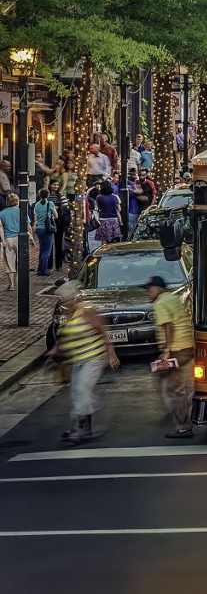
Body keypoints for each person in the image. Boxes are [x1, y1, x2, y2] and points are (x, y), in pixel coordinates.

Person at [50, 298, 119, 444]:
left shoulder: (87, 311)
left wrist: (111, 354)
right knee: (77, 393)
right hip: (78, 360)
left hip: (94, 358)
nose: (66, 304)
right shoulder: (68, 315)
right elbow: (64, 336)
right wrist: (56, 350)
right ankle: (85, 427)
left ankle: (80, 429)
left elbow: (103, 331)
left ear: (74, 299)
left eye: (68, 300)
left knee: (82, 390)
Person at [146, 275, 195, 439]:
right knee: (186, 388)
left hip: (176, 349)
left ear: (158, 288)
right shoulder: (173, 298)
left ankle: (183, 427)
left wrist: (166, 351)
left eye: (150, 288)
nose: (148, 292)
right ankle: (186, 417)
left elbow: (168, 326)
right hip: (188, 346)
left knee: (174, 390)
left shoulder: (160, 303)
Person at [0, 192, 25, 290]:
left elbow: (0, 228)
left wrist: (3, 241)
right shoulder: (21, 211)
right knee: (21, 262)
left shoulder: (2, 213)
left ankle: (12, 285)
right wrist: (31, 238)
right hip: (20, 239)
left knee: (9, 263)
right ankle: (19, 284)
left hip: (8, 239)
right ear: (17, 201)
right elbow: (27, 226)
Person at [34, 188, 58, 276]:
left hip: (39, 229)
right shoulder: (50, 203)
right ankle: (44, 270)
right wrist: (51, 216)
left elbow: (35, 217)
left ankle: (39, 269)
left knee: (42, 249)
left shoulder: (36, 205)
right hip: (47, 229)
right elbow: (56, 216)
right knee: (47, 251)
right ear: (48, 195)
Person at [93, 180, 123, 244]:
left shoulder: (99, 197)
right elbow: (119, 210)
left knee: (104, 239)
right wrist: (120, 222)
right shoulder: (115, 197)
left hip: (103, 220)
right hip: (114, 220)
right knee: (115, 240)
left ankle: (103, 252)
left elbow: (98, 208)